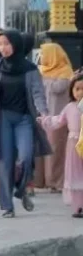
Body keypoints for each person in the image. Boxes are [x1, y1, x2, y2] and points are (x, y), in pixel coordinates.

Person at [0, 29, 50, 218]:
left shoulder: (30, 69)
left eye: (7, 43)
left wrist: (44, 114)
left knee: (25, 157)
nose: (3, 48)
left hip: (24, 119)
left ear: (16, 45)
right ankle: (7, 206)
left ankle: (21, 188)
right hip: (2, 120)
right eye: (0, 44)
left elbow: (38, 94)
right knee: (4, 163)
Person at [41, 74, 83, 217]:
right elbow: (58, 121)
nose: (80, 92)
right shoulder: (69, 108)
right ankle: (78, 207)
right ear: (71, 90)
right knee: (75, 175)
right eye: (77, 89)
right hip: (74, 145)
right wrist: (45, 120)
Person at [35, 42, 73, 192]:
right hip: (42, 115)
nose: (41, 57)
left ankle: (55, 182)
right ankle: (39, 180)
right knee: (40, 149)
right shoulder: (41, 71)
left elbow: (58, 88)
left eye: (44, 54)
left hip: (57, 117)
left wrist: (42, 81)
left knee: (54, 150)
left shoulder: (65, 72)